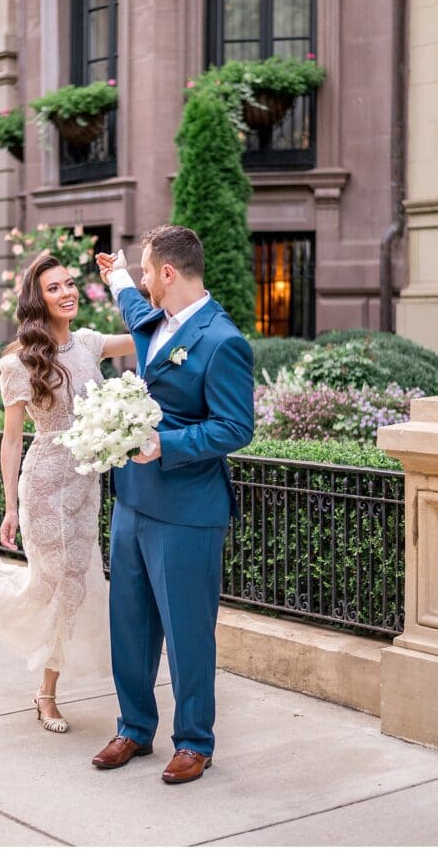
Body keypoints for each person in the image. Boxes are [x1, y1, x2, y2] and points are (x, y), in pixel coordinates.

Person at [92, 224, 254, 783]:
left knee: (187, 631)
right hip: (132, 502)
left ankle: (194, 741)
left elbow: (236, 427)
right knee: (128, 624)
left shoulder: (222, 340)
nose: (140, 280)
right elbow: (131, 300)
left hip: (188, 508)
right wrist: (114, 273)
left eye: (145, 270)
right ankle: (134, 729)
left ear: (168, 273)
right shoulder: (150, 318)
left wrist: (167, 444)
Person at [0, 253, 135, 733]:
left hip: (85, 484)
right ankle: (45, 692)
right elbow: (12, 439)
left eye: (71, 283)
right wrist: (11, 506)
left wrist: (123, 278)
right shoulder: (18, 363)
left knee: (75, 588)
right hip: (45, 482)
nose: (67, 293)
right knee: (54, 587)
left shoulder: (91, 344)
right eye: (55, 287)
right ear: (39, 300)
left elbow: (146, 332)